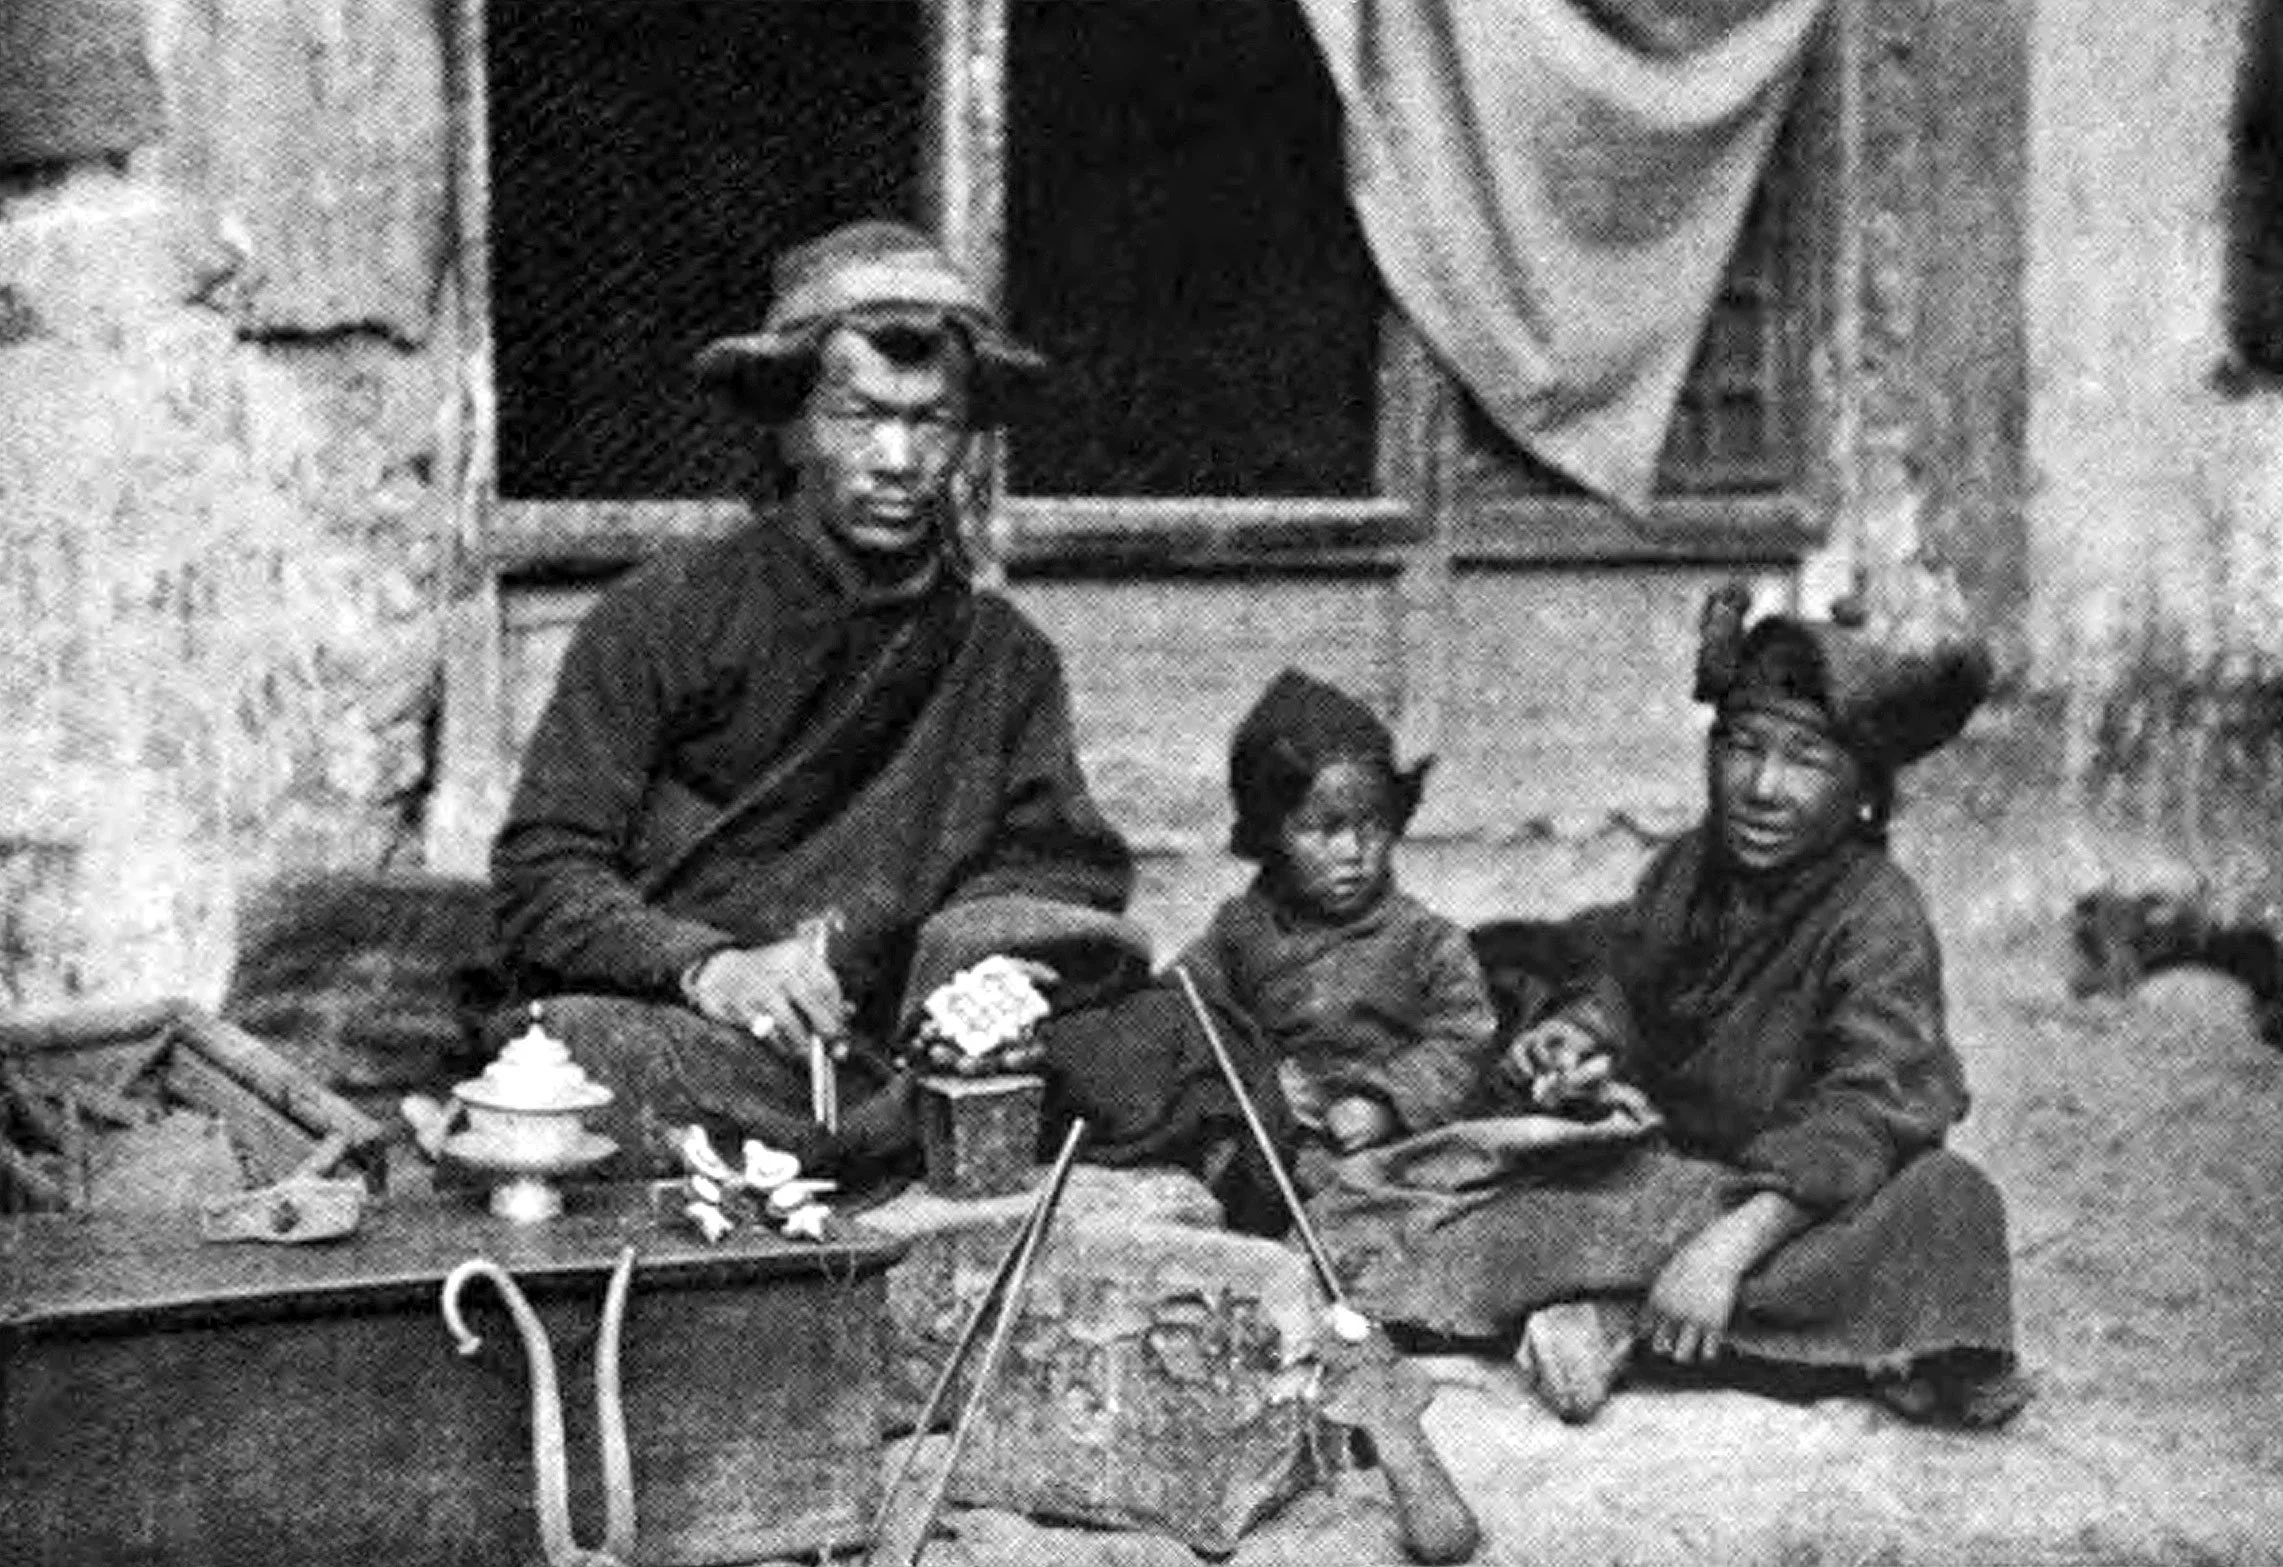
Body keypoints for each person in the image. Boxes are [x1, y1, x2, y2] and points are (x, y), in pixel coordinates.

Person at [488, 219, 1138, 1179]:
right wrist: (708, 968)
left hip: (901, 1046)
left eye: (933, 422)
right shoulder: (661, 617)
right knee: (585, 1054)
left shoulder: (1004, 658)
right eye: (857, 415)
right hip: (702, 1030)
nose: (897, 458)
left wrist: (977, 972)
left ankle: (880, 1135)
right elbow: (543, 874)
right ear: (789, 425)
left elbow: (1053, 871)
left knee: (1166, 1047)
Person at [1308, 586, 2031, 1429]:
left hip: (1795, 1201)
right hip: (1661, 1175)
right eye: (1741, 747)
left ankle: (1623, 1323)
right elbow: (1627, 982)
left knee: (1949, 1203)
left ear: (1863, 792)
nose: (1762, 786)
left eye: (1805, 760)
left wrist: (1726, 1249)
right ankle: (1774, 1328)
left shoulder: (1877, 916)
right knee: (1460, 1196)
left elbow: (1872, 1106)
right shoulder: (1691, 868)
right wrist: (1580, 1038)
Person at [1178, 669, 1496, 1170]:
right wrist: (1261, 1087)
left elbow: (1465, 1039)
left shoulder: (1426, 941)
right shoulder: (1240, 934)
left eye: (1370, 825)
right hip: (1279, 1146)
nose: (1352, 852)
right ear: (1271, 834)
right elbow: (1189, 1015)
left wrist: (1388, 1104)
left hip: (1395, 1150)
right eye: (1321, 830)